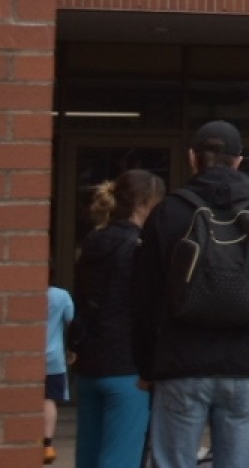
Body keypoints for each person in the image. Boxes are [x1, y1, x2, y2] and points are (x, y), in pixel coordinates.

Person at [132, 120, 249, 468]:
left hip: (179, 361)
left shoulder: (168, 213)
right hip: (243, 362)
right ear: (239, 161)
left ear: (192, 158)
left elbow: (143, 299)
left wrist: (146, 364)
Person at [72, 169, 166, 468]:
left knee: (88, 457)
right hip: (128, 368)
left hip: (89, 365)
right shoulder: (141, 247)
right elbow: (147, 310)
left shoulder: (92, 242)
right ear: (145, 204)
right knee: (121, 459)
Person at [45, 283, 73, 465]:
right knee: (48, 400)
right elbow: (71, 320)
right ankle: (47, 443)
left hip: (25, 355)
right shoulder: (61, 295)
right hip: (53, 357)